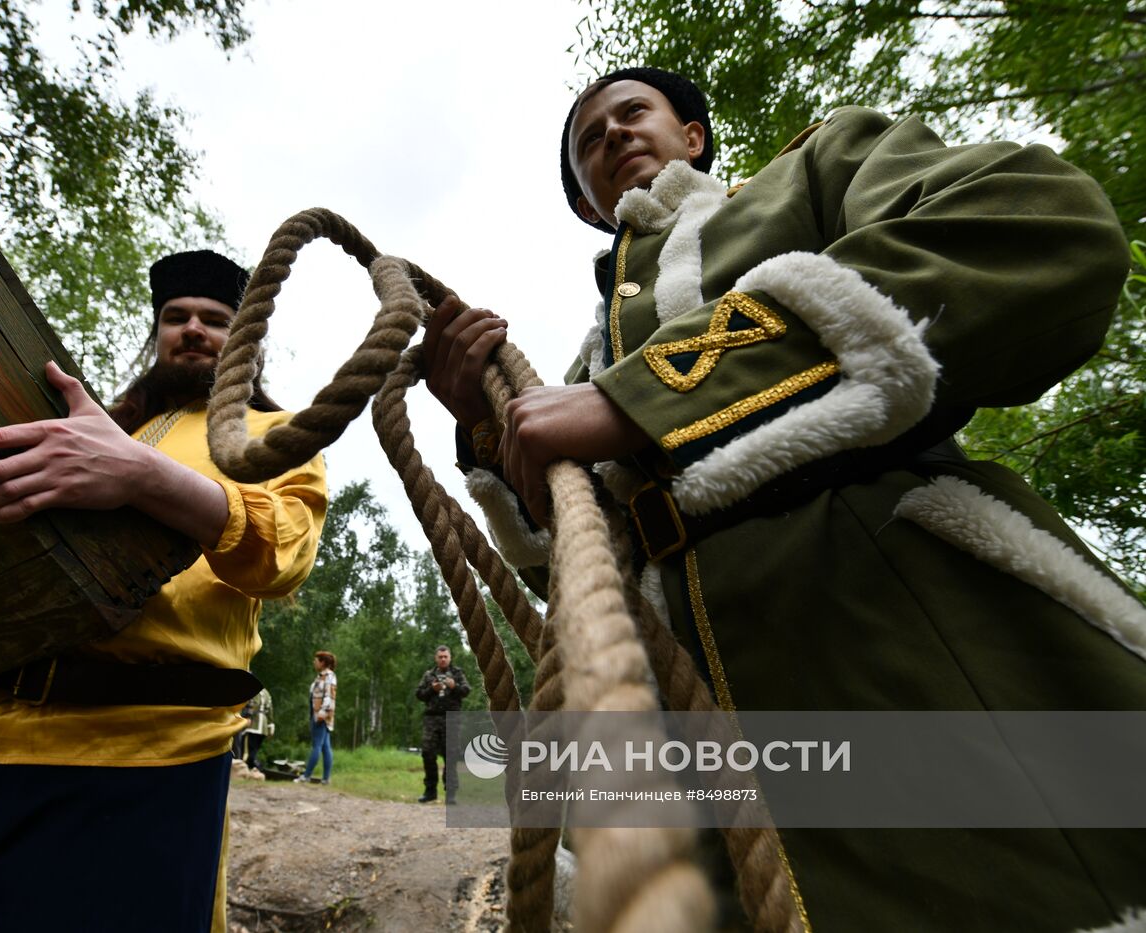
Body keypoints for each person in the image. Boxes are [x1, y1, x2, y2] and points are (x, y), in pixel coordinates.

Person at [421, 67, 1146, 931]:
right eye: (588, 141)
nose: (611, 135)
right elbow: (575, 568)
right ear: (584, 200)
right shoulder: (584, 363)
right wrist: (485, 425)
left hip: (912, 647)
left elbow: (1038, 223)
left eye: (632, 113)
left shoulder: (816, 172)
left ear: (693, 136)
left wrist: (645, 396)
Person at [0, 249, 328, 933]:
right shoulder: (89, 424)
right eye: (175, 316)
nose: (191, 328)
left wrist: (141, 477)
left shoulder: (278, 436)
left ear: (245, 344)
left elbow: (283, 555)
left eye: (214, 320)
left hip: (145, 757)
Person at [415, 645, 471, 804]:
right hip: (432, 719)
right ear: (436, 658)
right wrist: (432, 689)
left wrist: (454, 686)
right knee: (427, 753)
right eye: (440, 657)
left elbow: (466, 691)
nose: (443, 659)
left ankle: (451, 794)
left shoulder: (457, 673)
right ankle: (430, 791)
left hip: (451, 718)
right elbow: (419, 694)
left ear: (450, 657)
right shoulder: (429, 675)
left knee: (451, 756)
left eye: (445, 656)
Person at [295, 650, 336, 784]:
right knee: (325, 746)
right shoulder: (320, 677)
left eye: (316, 660)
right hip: (318, 715)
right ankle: (325, 779)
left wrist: (322, 714)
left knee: (317, 745)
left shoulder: (329, 676)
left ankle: (306, 776)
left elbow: (329, 697)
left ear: (322, 662)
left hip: (320, 716)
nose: (314, 662)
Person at [240, 686, 274, 773]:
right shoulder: (266, 693)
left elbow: (253, 705)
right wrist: (270, 727)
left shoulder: (251, 689)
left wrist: (242, 718)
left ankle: (254, 769)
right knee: (253, 752)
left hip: (253, 725)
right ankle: (256, 769)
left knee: (246, 754)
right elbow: (270, 711)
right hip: (263, 727)